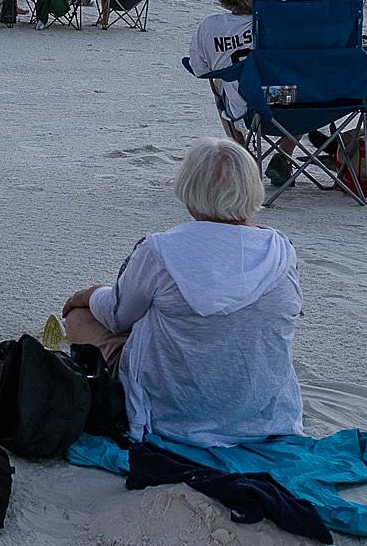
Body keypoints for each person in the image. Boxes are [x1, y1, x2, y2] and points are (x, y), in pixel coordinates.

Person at [61, 138, 303, 447]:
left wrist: (87, 294)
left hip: (173, 407)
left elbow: (117, 317)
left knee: (80, 317)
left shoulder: (161, 251)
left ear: (189, 190)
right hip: (258, 405)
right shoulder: (281, 251)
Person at [187, 0, 273, 137]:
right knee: (303, 88)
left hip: (242, 103)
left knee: (219, 81)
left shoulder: (210, 26)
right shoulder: (278, 23)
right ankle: (284, 154)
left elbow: (199, 70)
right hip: (285, 102)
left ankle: (238, 145)